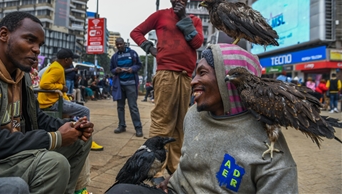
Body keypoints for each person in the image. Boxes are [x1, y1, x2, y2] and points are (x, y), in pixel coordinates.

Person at [106, 44, 298, 194]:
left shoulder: (270, 151)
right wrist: (170, 181)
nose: (193, 81)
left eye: (202, 73)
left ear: (228, 78)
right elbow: (189, 164)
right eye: (194, 73)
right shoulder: (193, 115)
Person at [0, 11, 93, 194]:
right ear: (4, 35)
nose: (37, 49)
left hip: (13, 151)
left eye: (39, 44)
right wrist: (56, 137)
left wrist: (71, 126)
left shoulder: (21, 73)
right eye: (30, 40)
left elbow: (36, 118)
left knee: (80, 140)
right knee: (54, 164)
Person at [130, 0, 204, 184]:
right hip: (166, 74)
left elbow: (197, 43)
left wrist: (183, 19)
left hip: (186, 77)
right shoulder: (160, 15)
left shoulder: (194, 20)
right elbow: (136, 32)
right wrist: (150, 48)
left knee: (181, 124)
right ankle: (155, 170)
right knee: (163, 121)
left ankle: (175, 166)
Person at [38, 48, 104, 151]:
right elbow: (44, 84)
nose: (72, 62)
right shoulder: (58, 69)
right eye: (71, 60)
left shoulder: (56, 66)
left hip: (53, 100)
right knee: (84, 110)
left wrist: (66, 96)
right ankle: (87, 139)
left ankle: (76, 135)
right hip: (52, 103)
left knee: (77, 105)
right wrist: (61, 87)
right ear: (66, 60)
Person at [110, 37, 143, 137]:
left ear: (124, 43)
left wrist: (132, 69)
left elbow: (139, 65)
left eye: (121, 44)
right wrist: (116, 70)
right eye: (117, 45)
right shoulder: (114, 57)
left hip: (131, 84)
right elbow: (111, 69)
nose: (119, 46)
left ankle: (138, 128)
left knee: (133, 107)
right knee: (120, 107)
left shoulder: (132, 53)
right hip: (120, 85)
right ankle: (121, 125)